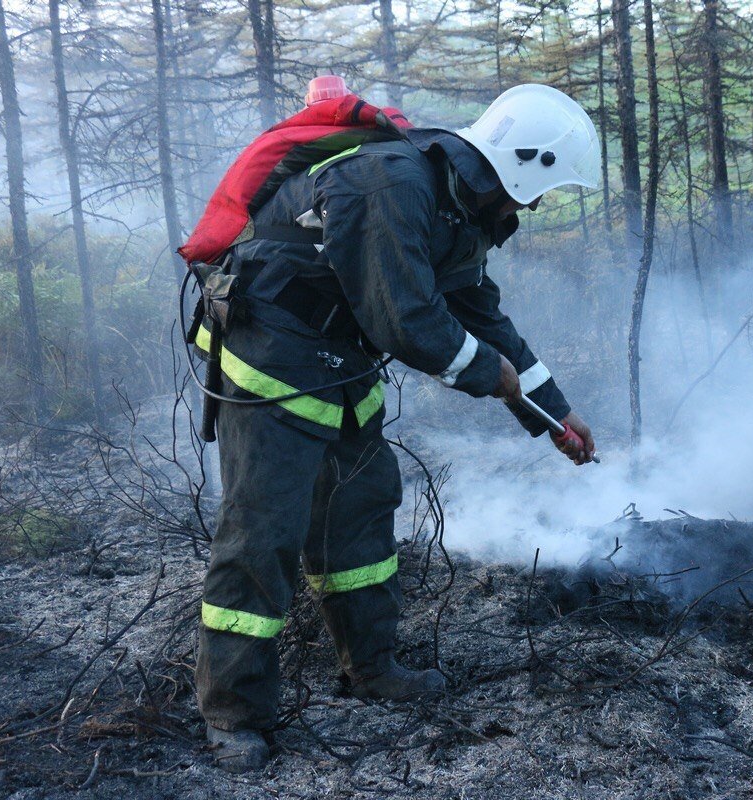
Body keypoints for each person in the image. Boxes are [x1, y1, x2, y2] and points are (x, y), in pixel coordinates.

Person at [194, 80, 601, 772]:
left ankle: (371, 667)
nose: (535, 205)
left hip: (337, 362)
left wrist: (551, 411)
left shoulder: (458, 205)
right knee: (265, 529)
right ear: (519, 163)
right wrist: (489, 378)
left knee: (359, 515)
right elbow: (407, 319)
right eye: (541, 187)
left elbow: (479, 314)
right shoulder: (390, 182)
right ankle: (234, 712)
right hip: (271, 358)